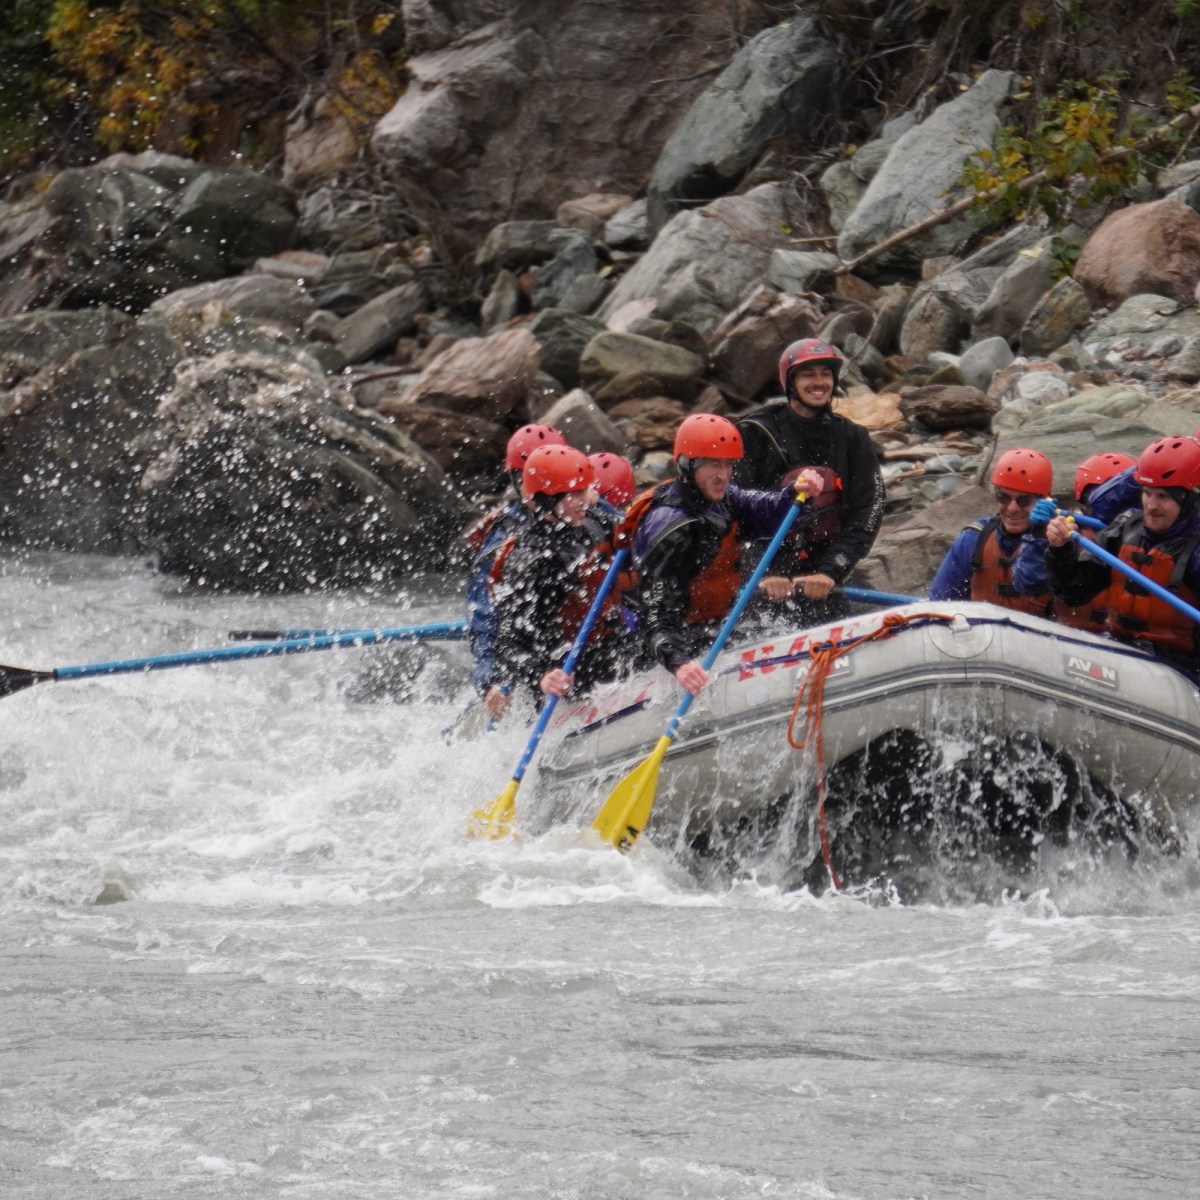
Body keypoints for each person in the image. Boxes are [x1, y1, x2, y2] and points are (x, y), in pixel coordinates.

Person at [622, 413, 823, 696]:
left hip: (714, 625)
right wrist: (679, 664)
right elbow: (655, 612)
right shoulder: (670, 528)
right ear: (687, 465)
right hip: (669, 644)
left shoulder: (721, 497)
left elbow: (767, 513)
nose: (723, 474)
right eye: (714, 464)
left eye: (729, 464)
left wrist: (796, 493)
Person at [733, 337, 884, 624]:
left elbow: (869, 513)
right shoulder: (755, 433)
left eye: (825, 374)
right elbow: (734, 511)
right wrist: (763, 575)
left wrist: (830, 571)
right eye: (808, 374)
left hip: (824, 572)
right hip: (766, 573)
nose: (819, 382)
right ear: (790, 382)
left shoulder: (854, 438)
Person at [488, 445, 629, 714]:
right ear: (546, 500)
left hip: (613, 650)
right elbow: (506, 644)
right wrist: (541, 675)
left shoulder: (596, 523)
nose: (586, 501)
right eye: (575, 494)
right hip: (569, 676)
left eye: (585, 491)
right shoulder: (530, 562)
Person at [1044, 435, 1200, 678]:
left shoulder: (1196, 551)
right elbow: (1073, 591)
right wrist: (1060, 550)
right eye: (1147, 493)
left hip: (1178, 670)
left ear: (1190, 500)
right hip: (1119, 651)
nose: (1151, 506)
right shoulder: (1128, 529)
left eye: (1164, 496)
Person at [464, 423, 567, 705]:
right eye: (535, 476)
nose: (545, 486)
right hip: (532, 656)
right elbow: (485, 623)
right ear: (516, 480)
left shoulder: (589, 512)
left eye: (553, 473)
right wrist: (489, 683)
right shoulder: (501, 544)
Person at [929, 447, 1054, 613]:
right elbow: (939, 603)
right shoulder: (973, 539)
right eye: (1004, 497)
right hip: (982, 635)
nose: (1012, 508)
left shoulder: (1059, 546)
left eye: (1024, 500)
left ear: (1043, 500)